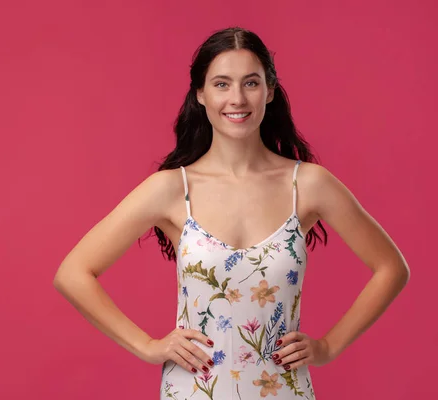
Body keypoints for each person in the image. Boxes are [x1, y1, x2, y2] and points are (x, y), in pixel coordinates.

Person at [53, 27, 410, 400]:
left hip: (283, 391)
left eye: (250, 83)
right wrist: (146, 345)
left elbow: (391, 268)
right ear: (201, 94)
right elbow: (73, 274)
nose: (237, 98)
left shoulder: (307, 184)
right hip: (193, 389)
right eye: (222, 84)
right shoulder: (173, 189)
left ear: (270, 91)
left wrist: (329, 346)